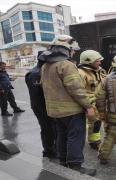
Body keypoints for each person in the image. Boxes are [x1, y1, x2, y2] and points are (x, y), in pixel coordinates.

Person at [38, 35, 96, 176]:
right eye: (72, 49)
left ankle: (63, 161)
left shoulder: (45, 65)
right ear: (65, 49)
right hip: (71, 111)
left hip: (55, 111)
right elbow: (76, 89)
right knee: (75, 137)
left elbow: (43, 86)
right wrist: (88, 106)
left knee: (62, 136)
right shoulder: (67, 65)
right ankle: (76, 166)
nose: (73, 52)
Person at [78, 50, 116, 150]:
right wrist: (88, 105)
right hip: (91, 103)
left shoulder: (100, 70)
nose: (100, 62)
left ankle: (110, 138)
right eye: (97, 61)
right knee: (95, 122)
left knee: (108, 121)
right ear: (89, 61)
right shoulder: (80, 73)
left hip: (103, 101)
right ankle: (94, 141)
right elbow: (79, 92)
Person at [25, 51, 57, 158]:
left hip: (49, 106)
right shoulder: (35, 73)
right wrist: (45, 111)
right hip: (42, 107)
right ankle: (48, 150)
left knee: (53, 128)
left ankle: (53, 147)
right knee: (47, 128)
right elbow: (36, 96)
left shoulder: (45, 71)